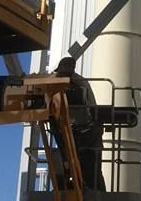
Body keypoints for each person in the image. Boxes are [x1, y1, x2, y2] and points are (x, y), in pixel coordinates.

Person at [54, 56, 106, 192]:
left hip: (87, 134)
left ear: (69, 69)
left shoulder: (76, 84)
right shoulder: (73, 83)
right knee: (87, 171)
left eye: (61, 72)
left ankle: (93, 191)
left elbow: (80, 108)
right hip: (82, 133)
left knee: (90, 171)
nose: (59, 75)